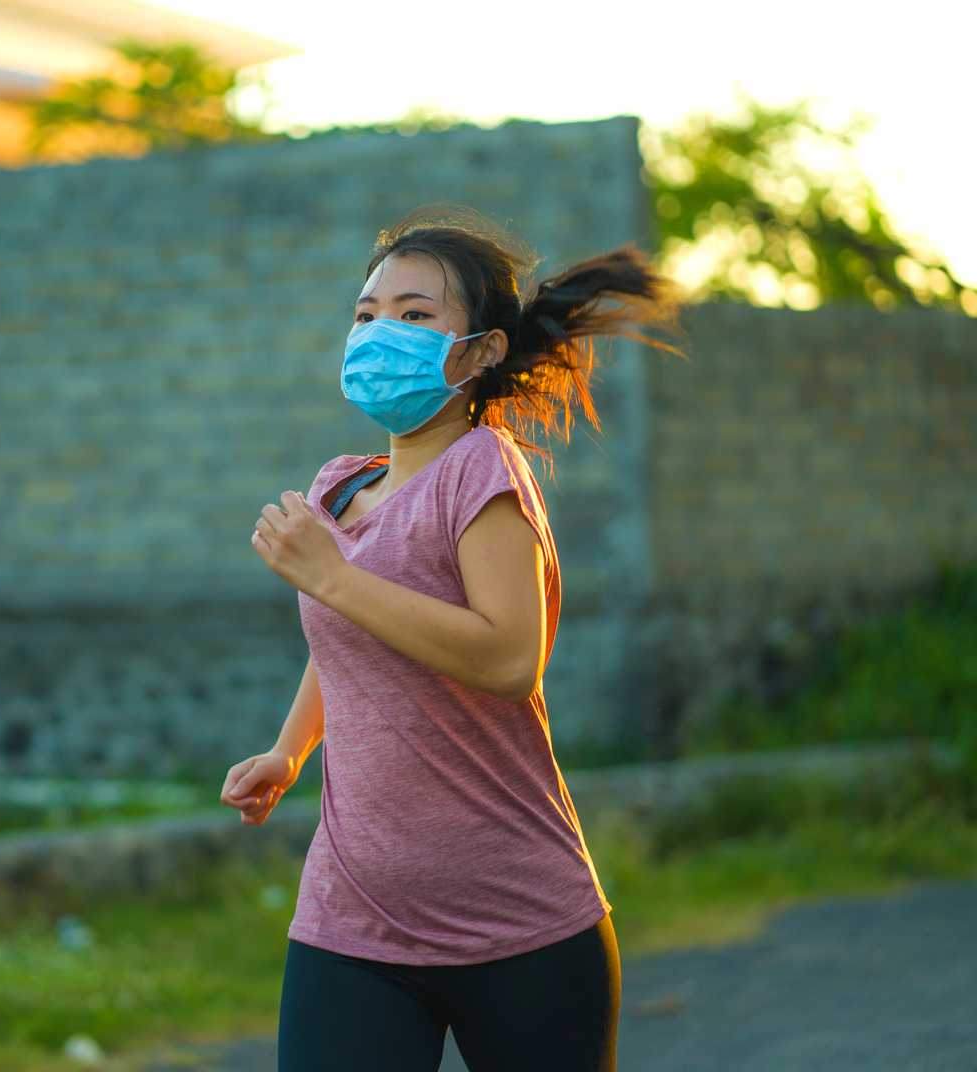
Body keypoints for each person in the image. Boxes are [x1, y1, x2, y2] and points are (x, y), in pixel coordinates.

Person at [219, 204, 684, 1072]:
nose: (377, 331)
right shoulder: (338, 487)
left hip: (518, 922)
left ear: (479, 353)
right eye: (366, 314)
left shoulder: (481, 469)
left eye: (414, 314)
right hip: (353, 915)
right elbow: (347, 640)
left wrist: (332, 576)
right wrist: (289, 752)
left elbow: (510, 659)